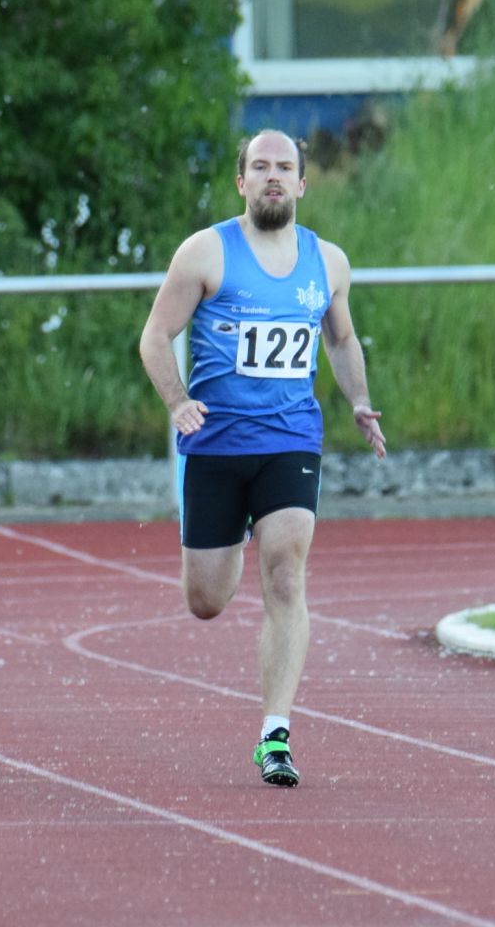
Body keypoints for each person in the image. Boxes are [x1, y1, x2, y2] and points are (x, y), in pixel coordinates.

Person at [138, 129, 387, 786]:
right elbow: (156, 335)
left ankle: (275, 735)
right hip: (216, 445)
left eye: (284, 167)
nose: (272, 176)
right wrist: (177, 402)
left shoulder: (328, 262)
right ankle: (237, 530)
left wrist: (360, 401)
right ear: (241, 181)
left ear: (302, 183)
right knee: (206, 600)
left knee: (285, 574)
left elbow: (341, 339)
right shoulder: (205, 252)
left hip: (290, 441)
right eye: (260, 166)